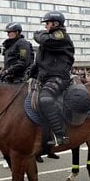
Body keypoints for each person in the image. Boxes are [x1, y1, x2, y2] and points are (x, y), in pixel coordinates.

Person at [30, 11, 74, 145]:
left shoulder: (60, 36)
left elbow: (43, 39)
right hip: (46, 76)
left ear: (55, 24)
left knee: (45, 99)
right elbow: (39, 61)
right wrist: (30, 75)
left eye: (48, 23)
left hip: (58, 76)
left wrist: (38, 34)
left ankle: (60, 134)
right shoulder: (50, 37)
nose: (46, 26)